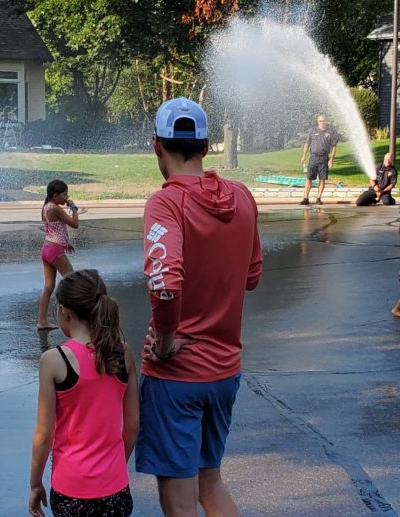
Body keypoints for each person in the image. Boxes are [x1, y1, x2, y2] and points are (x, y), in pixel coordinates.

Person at [137, 97, 263, 517]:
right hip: (226, 371)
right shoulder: (242, 197)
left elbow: (166, 282)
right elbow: (252, 275)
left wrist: (168, 338)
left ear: (157, 146)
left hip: (178, 377)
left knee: (178, 497)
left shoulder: (166, 203)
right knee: (211, 482)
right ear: (206, 147)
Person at [28, 269, 139, 517]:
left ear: (65, 311)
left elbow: (44, 434)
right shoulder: (123, 354)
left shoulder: (54, 360)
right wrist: (116, 466)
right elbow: (132, 424)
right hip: (116, 487)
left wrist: (36, 484)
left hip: (71, 489)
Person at [37, 180, 80, 331]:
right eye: (64, 194)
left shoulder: (46, 207)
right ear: (55, 196)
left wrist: (65, 243)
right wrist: (74, 207)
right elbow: (75, 224)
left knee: (48, 287)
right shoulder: (55, 208)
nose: (66, 197)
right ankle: (71, 317)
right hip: (54, 250)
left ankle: (42, 322)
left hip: (47, 248)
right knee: (72, 281)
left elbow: (54, 228)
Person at [300, 113, 338, 205]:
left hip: (324, 159)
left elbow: (334, 146)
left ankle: (318, 198)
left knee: (322, 179)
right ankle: (305, 198)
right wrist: (304, 155)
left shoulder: (329, 133)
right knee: (309, 178)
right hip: (313, 157)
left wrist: (331, 159)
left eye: (323, 121)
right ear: (318, 122)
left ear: (326, 121)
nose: (322, 122)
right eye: (320, 121)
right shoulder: (312, 131)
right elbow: (307, 144)